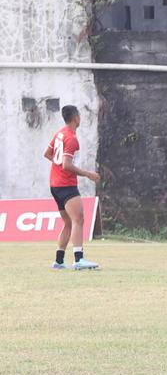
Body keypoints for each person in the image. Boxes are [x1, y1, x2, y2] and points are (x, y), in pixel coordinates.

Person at [43, 105, 100, 270]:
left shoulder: (60, 134)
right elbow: (67, 165)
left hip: (55, 185)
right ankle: (78, 259)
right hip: (66, 185)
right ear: (76, 118)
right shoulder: (71, 139)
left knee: (68, 222)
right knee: (78, 219)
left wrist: (58, 165)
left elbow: (47, 154)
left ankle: (59, 261)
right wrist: (88, 174)